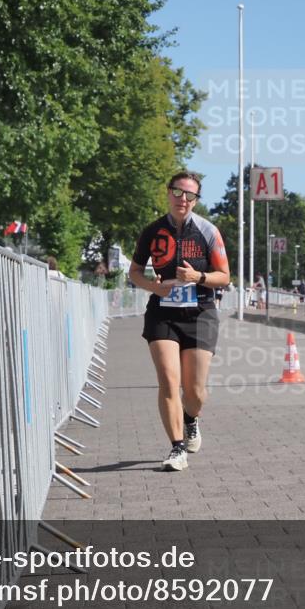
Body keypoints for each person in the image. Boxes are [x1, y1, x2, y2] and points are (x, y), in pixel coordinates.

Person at [128, 171, 231, 471]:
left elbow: (224, 277)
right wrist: (153, 287)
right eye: (177, 192)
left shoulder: (208, 231)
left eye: (189, 195)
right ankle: (177, 448)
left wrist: (198, 276)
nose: (182, 199)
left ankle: (190, 419)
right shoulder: (152, 231)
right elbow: (134, 272)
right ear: (168, 192)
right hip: (163, 313)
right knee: (168, 381)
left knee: (194, 392)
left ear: (196, 200)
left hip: (200, 314)